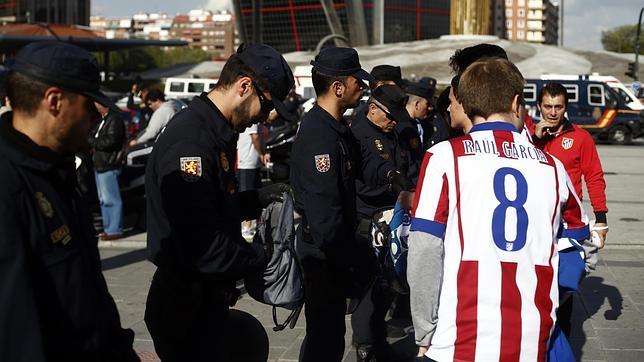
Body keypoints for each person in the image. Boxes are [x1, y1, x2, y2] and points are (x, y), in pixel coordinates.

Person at [408, 58, 590, 361]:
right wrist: (556, 288)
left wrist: (424, 329)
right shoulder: (553, 167)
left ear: (466, 104)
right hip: (533, 339)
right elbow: (578, 237)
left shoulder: (443, 157)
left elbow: (425, 248)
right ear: (517, 102)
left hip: (459, 339)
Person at [144, 43, 294, 361]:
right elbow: (201, 241)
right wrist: (258, 257)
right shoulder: (192, 142)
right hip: (185, 305)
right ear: (244, 86)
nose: (265, 118)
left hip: (204, 298)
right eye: (266, 106)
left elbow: (211, 207)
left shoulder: (215, 132)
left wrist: (255, 199)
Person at [0, 41, 137, 361]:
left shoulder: (56, 172)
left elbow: (88, 293)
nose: (95, 115)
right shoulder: (8, 185)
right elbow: (15, 333)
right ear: (54, 100)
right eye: (89, 104)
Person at [290, 46, 374, 362]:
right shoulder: (319, 134)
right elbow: (325, 212)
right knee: (324, 339)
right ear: (338, 87)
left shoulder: (335, 128)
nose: (362, 87)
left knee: (329, 336)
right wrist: (344, 261)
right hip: (323, 256)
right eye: (357, 81)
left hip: (333, 253)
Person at [532, 82, 609, 337]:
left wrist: (601, 219)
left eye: (558, 107)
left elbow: (594, 177)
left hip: (567, 225)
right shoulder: (528, 137)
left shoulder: (580, 138)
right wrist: (533, 139)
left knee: (565, 284)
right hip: (536, 221)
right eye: (547, 107)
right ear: (539, 106)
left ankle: (561, 337)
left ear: (566, 107)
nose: (553, 113)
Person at [350, 84, 414, 361]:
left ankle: (378, 341)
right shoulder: (360, 134)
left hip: (390, 218)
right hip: (366, 219)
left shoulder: (390, 132)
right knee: (370, 288)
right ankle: (365, 346)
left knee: (386, 285)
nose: (393, 121)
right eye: (389, 115)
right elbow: (370, 175)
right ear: (372, 108)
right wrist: (392, 179)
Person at [90, 102, 126, 241]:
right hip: (100, 163)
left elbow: (111, 141)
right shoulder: (103, 120)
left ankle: (114, 229)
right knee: (104, 199)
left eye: (97, 103)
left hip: (108, 164)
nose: (95, 105)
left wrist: (92, 141)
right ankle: (109, 228)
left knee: (111, 198)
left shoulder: (114, 119)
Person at [237, 123, 268, 237]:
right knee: (247, 193)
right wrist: (261, 153)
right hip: (247, 161)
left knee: (255, 194)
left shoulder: (258, 121)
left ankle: (255, 224)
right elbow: (254, 136)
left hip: (253, 162)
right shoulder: (253, 121)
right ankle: (246, 226)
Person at [401, 81, 434, 182]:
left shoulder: (416, 124)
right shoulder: (401, 126)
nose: (429, 108)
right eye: (427, 104)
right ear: (417, 104)